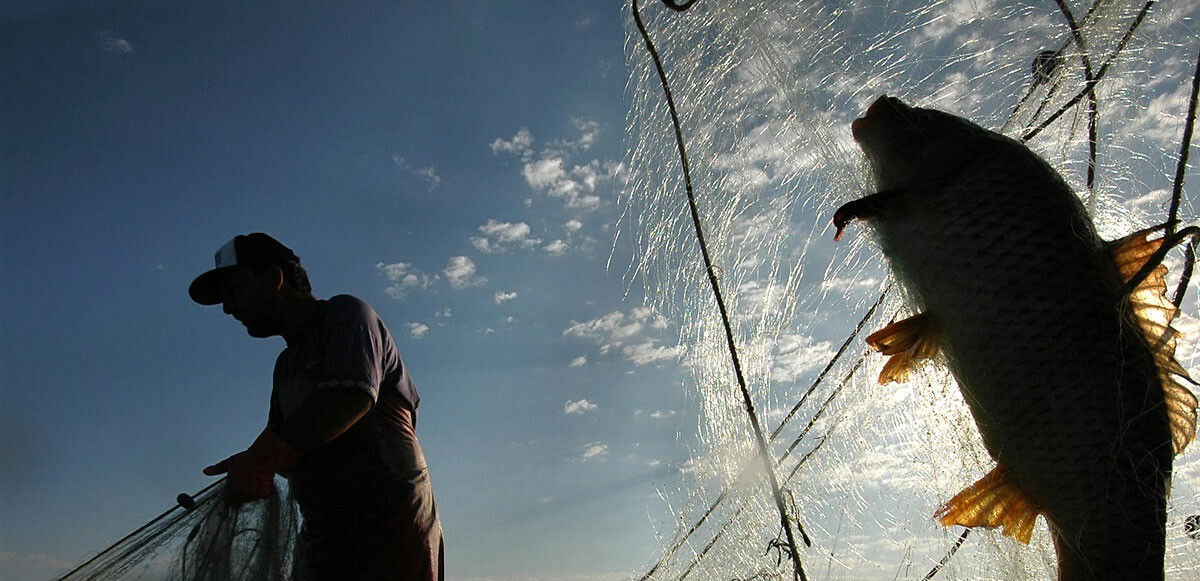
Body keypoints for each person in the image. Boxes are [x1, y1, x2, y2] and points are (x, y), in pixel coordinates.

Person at [190, 232, 444, 580]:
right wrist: (249, 469)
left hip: (391, 533)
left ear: (273, 279)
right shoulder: (285, 367)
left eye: (235, 291)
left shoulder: (346, 314)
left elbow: (351, 397)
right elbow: (286, 447)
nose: (229, 308)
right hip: (325, 543)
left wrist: (262, 458)